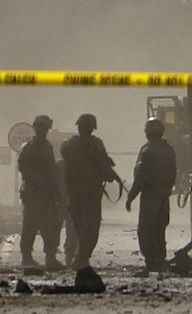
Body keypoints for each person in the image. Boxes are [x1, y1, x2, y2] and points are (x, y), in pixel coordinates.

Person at [60, 113, 118, 271]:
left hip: (73, 192)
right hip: (90, 192)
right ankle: (81, 258)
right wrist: (109, 174)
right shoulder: (95, 144)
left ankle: (77, 256)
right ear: (92, 128)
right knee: (91, 226)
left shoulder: (67, 145)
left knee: (78, 225)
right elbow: (102, 166)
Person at [125, 117, 177, 275]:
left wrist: (130, 196)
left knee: (146, 230)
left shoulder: (148, 151)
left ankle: (151, 263)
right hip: (163, 194)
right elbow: (173, 172)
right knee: (159, 229)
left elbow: (141, 176)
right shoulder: (168, 149)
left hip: (150, 196)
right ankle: (159, 262)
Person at [17, 115, 64, 271]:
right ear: (35, 127)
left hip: (47, 193)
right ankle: (26, 257)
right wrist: (40, 180)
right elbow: (23, 168)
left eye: (45, 128)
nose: (43, 130)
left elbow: (52, 170)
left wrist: (57, 190)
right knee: (30, 225)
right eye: (40, 127)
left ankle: (50, 257)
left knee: (50, 225)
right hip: (33, 193)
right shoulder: (28, 147)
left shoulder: (47, 146)